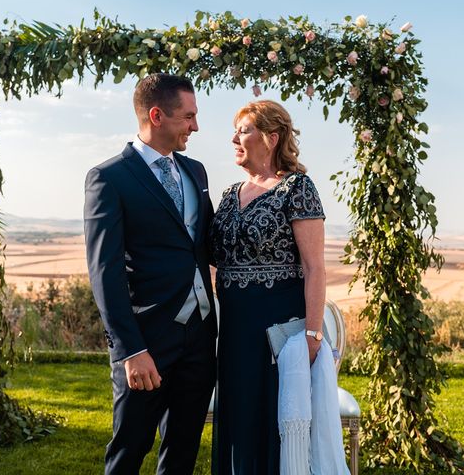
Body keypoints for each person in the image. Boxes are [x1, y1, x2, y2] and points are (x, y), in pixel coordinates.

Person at [84, 73, 217, 475]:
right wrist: (130, 350)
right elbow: (104, 272)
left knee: (182, 453)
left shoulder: (196, 171)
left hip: (199, 338)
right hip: (147, 341)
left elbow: (203, 246)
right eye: (188, 116)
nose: (195, 126)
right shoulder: (109, 178)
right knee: (130, 449)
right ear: (157, 115)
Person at [210, 100, 328, 473]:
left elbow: (314, 267)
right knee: (238, 415)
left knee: (270, 419)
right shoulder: (230, 194)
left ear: (271, 137)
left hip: (277, 332)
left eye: (243, 130)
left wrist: (312, 334)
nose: (234, 138)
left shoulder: (297, 188)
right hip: (233, 330)